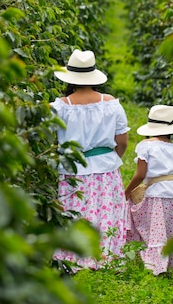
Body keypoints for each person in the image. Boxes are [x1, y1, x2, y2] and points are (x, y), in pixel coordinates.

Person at [51, 49, 129, 271]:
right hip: (105, 167)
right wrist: (111, 159)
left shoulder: (60, 107)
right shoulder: (111, 103)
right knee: (105, 212)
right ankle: (104, 256)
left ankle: (75, 257)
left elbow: (50, 140)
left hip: (72, 169)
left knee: (76, 211)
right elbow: (122, 141)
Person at [124, 104, 173, 275]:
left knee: (157, 230)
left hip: (158, 195)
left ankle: (158, 265)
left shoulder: (146, 146)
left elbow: (140, 175)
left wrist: (125, 192)